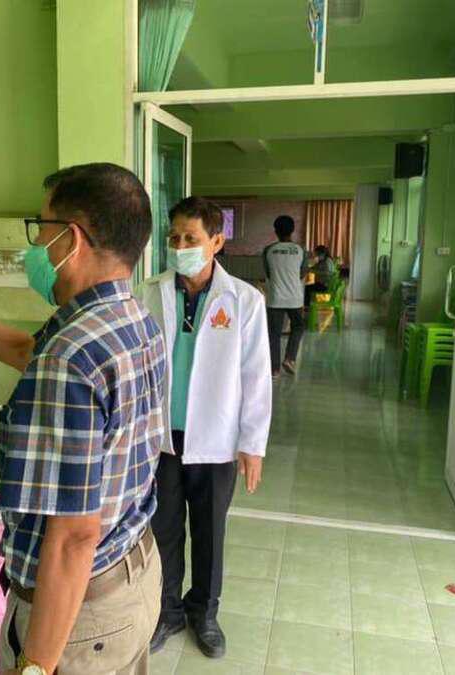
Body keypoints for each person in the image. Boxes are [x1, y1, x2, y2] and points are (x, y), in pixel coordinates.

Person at [0, 163, 168, 675]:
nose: (35, 244)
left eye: (40, 227)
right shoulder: (131, 319)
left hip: (80, 618)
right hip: (133, 576)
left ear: (71, 238)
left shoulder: (71, 355)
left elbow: (73, 538)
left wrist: (37, 665)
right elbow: (26, 350)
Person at [136, 196, 271, 659]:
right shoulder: (149, 293)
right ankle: (167, 610)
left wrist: (253, 444)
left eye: (191, 239)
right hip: (161, 440)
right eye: (174, 238)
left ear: (216, 241)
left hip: (216, 439)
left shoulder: (245, 300)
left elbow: (256, 377)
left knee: (209, 532)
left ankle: (205, 613)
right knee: (163, 529)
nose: (180, 247)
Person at [263, 215, 307, 376]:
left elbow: (268, 273)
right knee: (298, 327)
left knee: (274, 334)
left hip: (275, 298)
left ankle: (274, 370)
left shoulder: (268, 250)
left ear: (276, 231)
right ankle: (289, 358)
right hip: (295, 298)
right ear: (292, 230)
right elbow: (302, 273)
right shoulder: (300, 250)